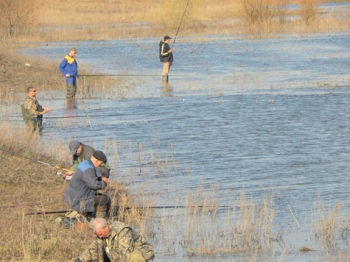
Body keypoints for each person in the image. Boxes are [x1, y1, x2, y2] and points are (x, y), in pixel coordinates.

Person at [68, 218, 154, 262]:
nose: (100, 237)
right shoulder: (100, 236)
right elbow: (92, 250)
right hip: (115, 257)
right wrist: (77, 260)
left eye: (101, 234)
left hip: (138, 252)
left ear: (106, 226)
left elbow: (125, 255)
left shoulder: (122, 231)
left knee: (134, 257)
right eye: (98, 235)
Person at [64, 151, 111, 218]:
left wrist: (101, 178)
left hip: (72, 195)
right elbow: (94, 185)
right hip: (78, 200)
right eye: (101, 162)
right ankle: (101, 221)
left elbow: (89, 178)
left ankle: (91, 214)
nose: (101, 165)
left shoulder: (86, 163)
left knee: (99, 197)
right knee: (104, 199)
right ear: (97, 160)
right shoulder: (89, 169)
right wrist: (104, 183)